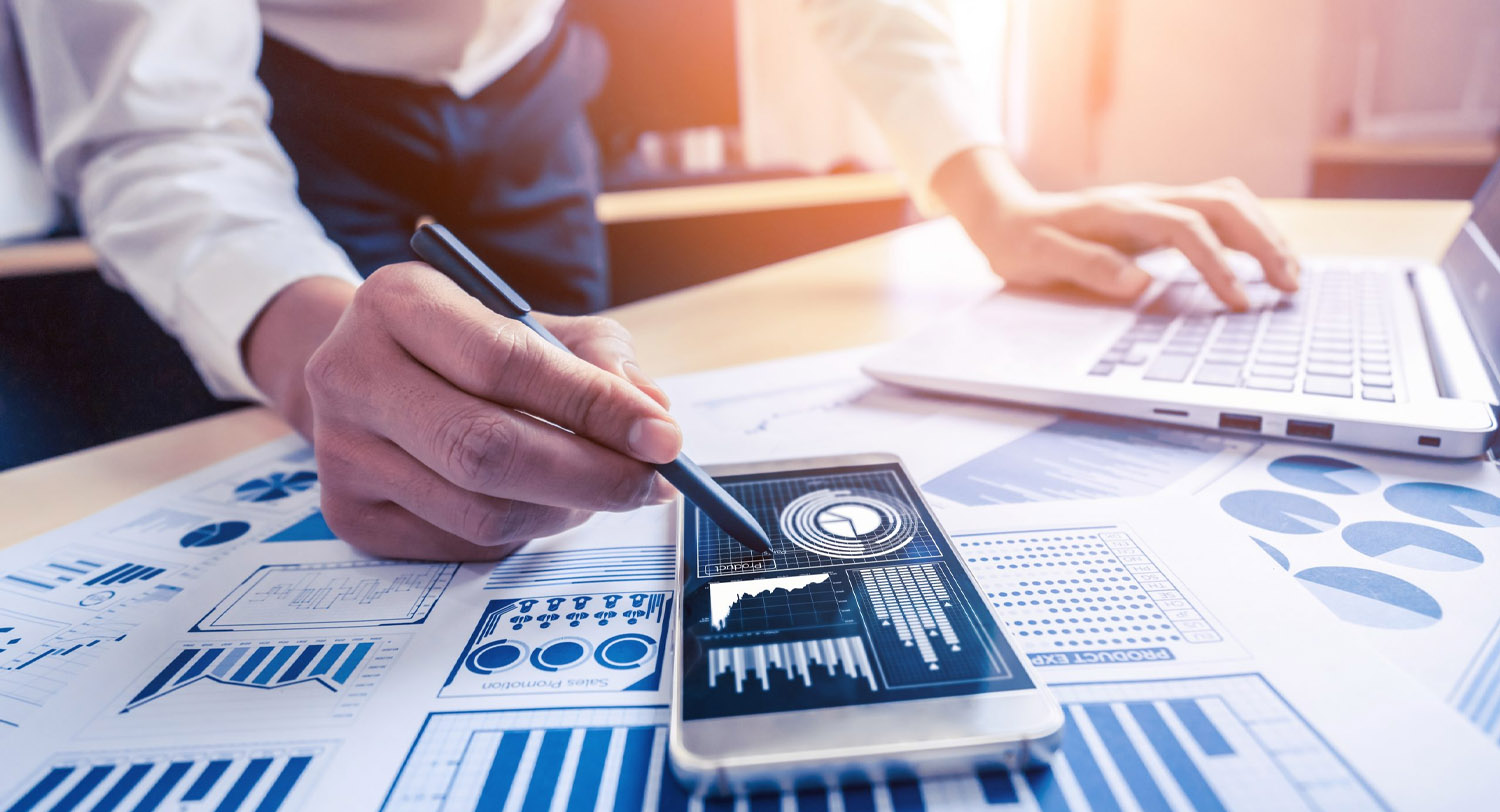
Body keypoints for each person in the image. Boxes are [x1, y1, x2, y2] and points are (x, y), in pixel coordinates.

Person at [12, 0, 1298, 561]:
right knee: (392, 477)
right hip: (285, 99)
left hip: (534, 85)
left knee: (563, 456)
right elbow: (156, 121)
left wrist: (987, 190)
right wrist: (305, 348)